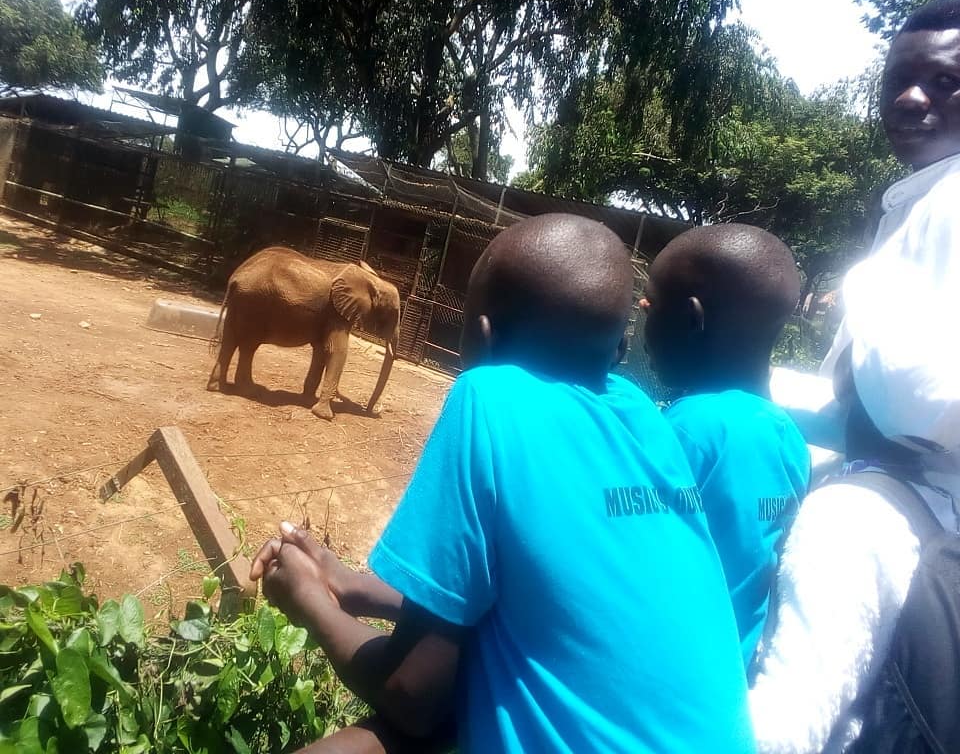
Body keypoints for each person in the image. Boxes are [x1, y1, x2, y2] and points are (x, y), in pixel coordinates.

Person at [251, 213, 756, 754]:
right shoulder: (645, 418)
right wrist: (354, 586)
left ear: (483, 335)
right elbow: (544, 602)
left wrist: (309, 600)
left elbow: (413, 696)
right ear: (616, 349)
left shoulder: (487, 396)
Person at [748, 0, 960, 753]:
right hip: (898, 487)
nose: (913, 97)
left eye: (945, 81)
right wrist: (749, 384)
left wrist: (868, 289)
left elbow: (920, 402)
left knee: (788, 713)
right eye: (901, 77)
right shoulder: (918, 202)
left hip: (904, 514)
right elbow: (847, 401)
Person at [641, 224, 810, 670]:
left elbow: (622, 556)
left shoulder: (691, 429)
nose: (641, 315)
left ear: (693, 318)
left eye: (651, 303)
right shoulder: (788, 436)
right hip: (727, 672)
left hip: (661, 671)